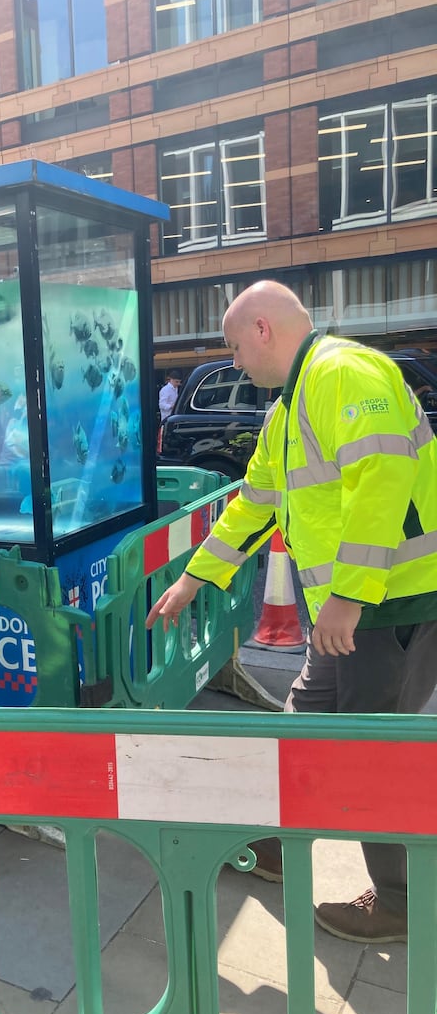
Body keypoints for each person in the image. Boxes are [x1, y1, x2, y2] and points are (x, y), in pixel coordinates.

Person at [146, 280, 437, 945]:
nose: (235, 360)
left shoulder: (344, 372)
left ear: (264, 330)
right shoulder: (289, 408)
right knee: (305, 721)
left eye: (234, 345)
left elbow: (383, 479)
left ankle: (401, 902)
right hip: (353, 613)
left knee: (371, 755)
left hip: (389, 608)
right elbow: (255, 503)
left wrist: (348, 596)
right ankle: (278, 836)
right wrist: (196, 579)